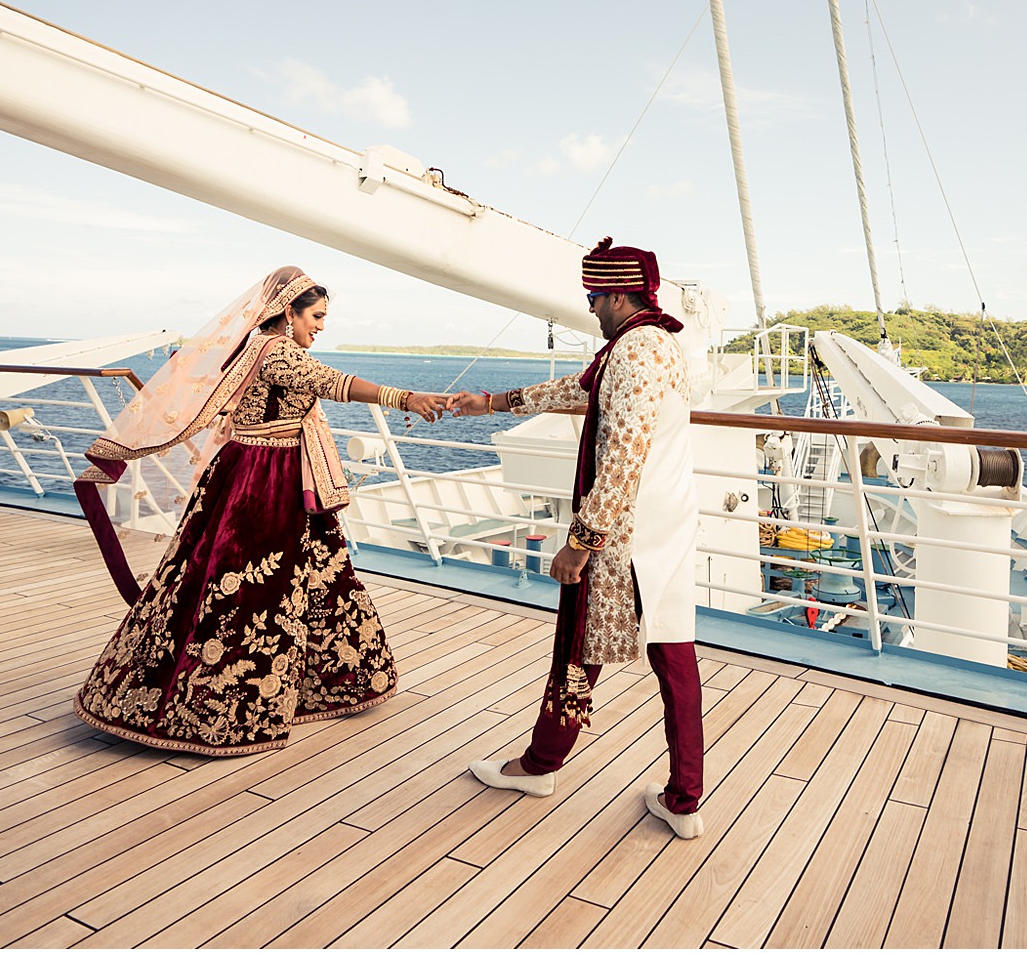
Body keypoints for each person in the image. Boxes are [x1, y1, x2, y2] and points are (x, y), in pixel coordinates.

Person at [70, 266, 447, 756]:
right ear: (287, 313)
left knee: (311, 575)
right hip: (264, 479)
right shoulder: (274, 353)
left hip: (277, 472)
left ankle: (317, 685)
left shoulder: (257, 346)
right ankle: (209, 709)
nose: (321, 326)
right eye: (316, 316)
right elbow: (329, 381)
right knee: (252, 586)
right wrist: (405, 398)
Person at [450, 238, 706, 839]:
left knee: (578, 648)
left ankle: (539, 766)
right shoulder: (652, 343)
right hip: (670, 523)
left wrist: (580, 542)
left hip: (627, 534)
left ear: (618, 293)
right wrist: (490, 403)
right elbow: (581, 388)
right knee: (674, 654)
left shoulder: (634, 355)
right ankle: (684, 796)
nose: (589, 307)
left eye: (593, 296)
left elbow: (622, 460)